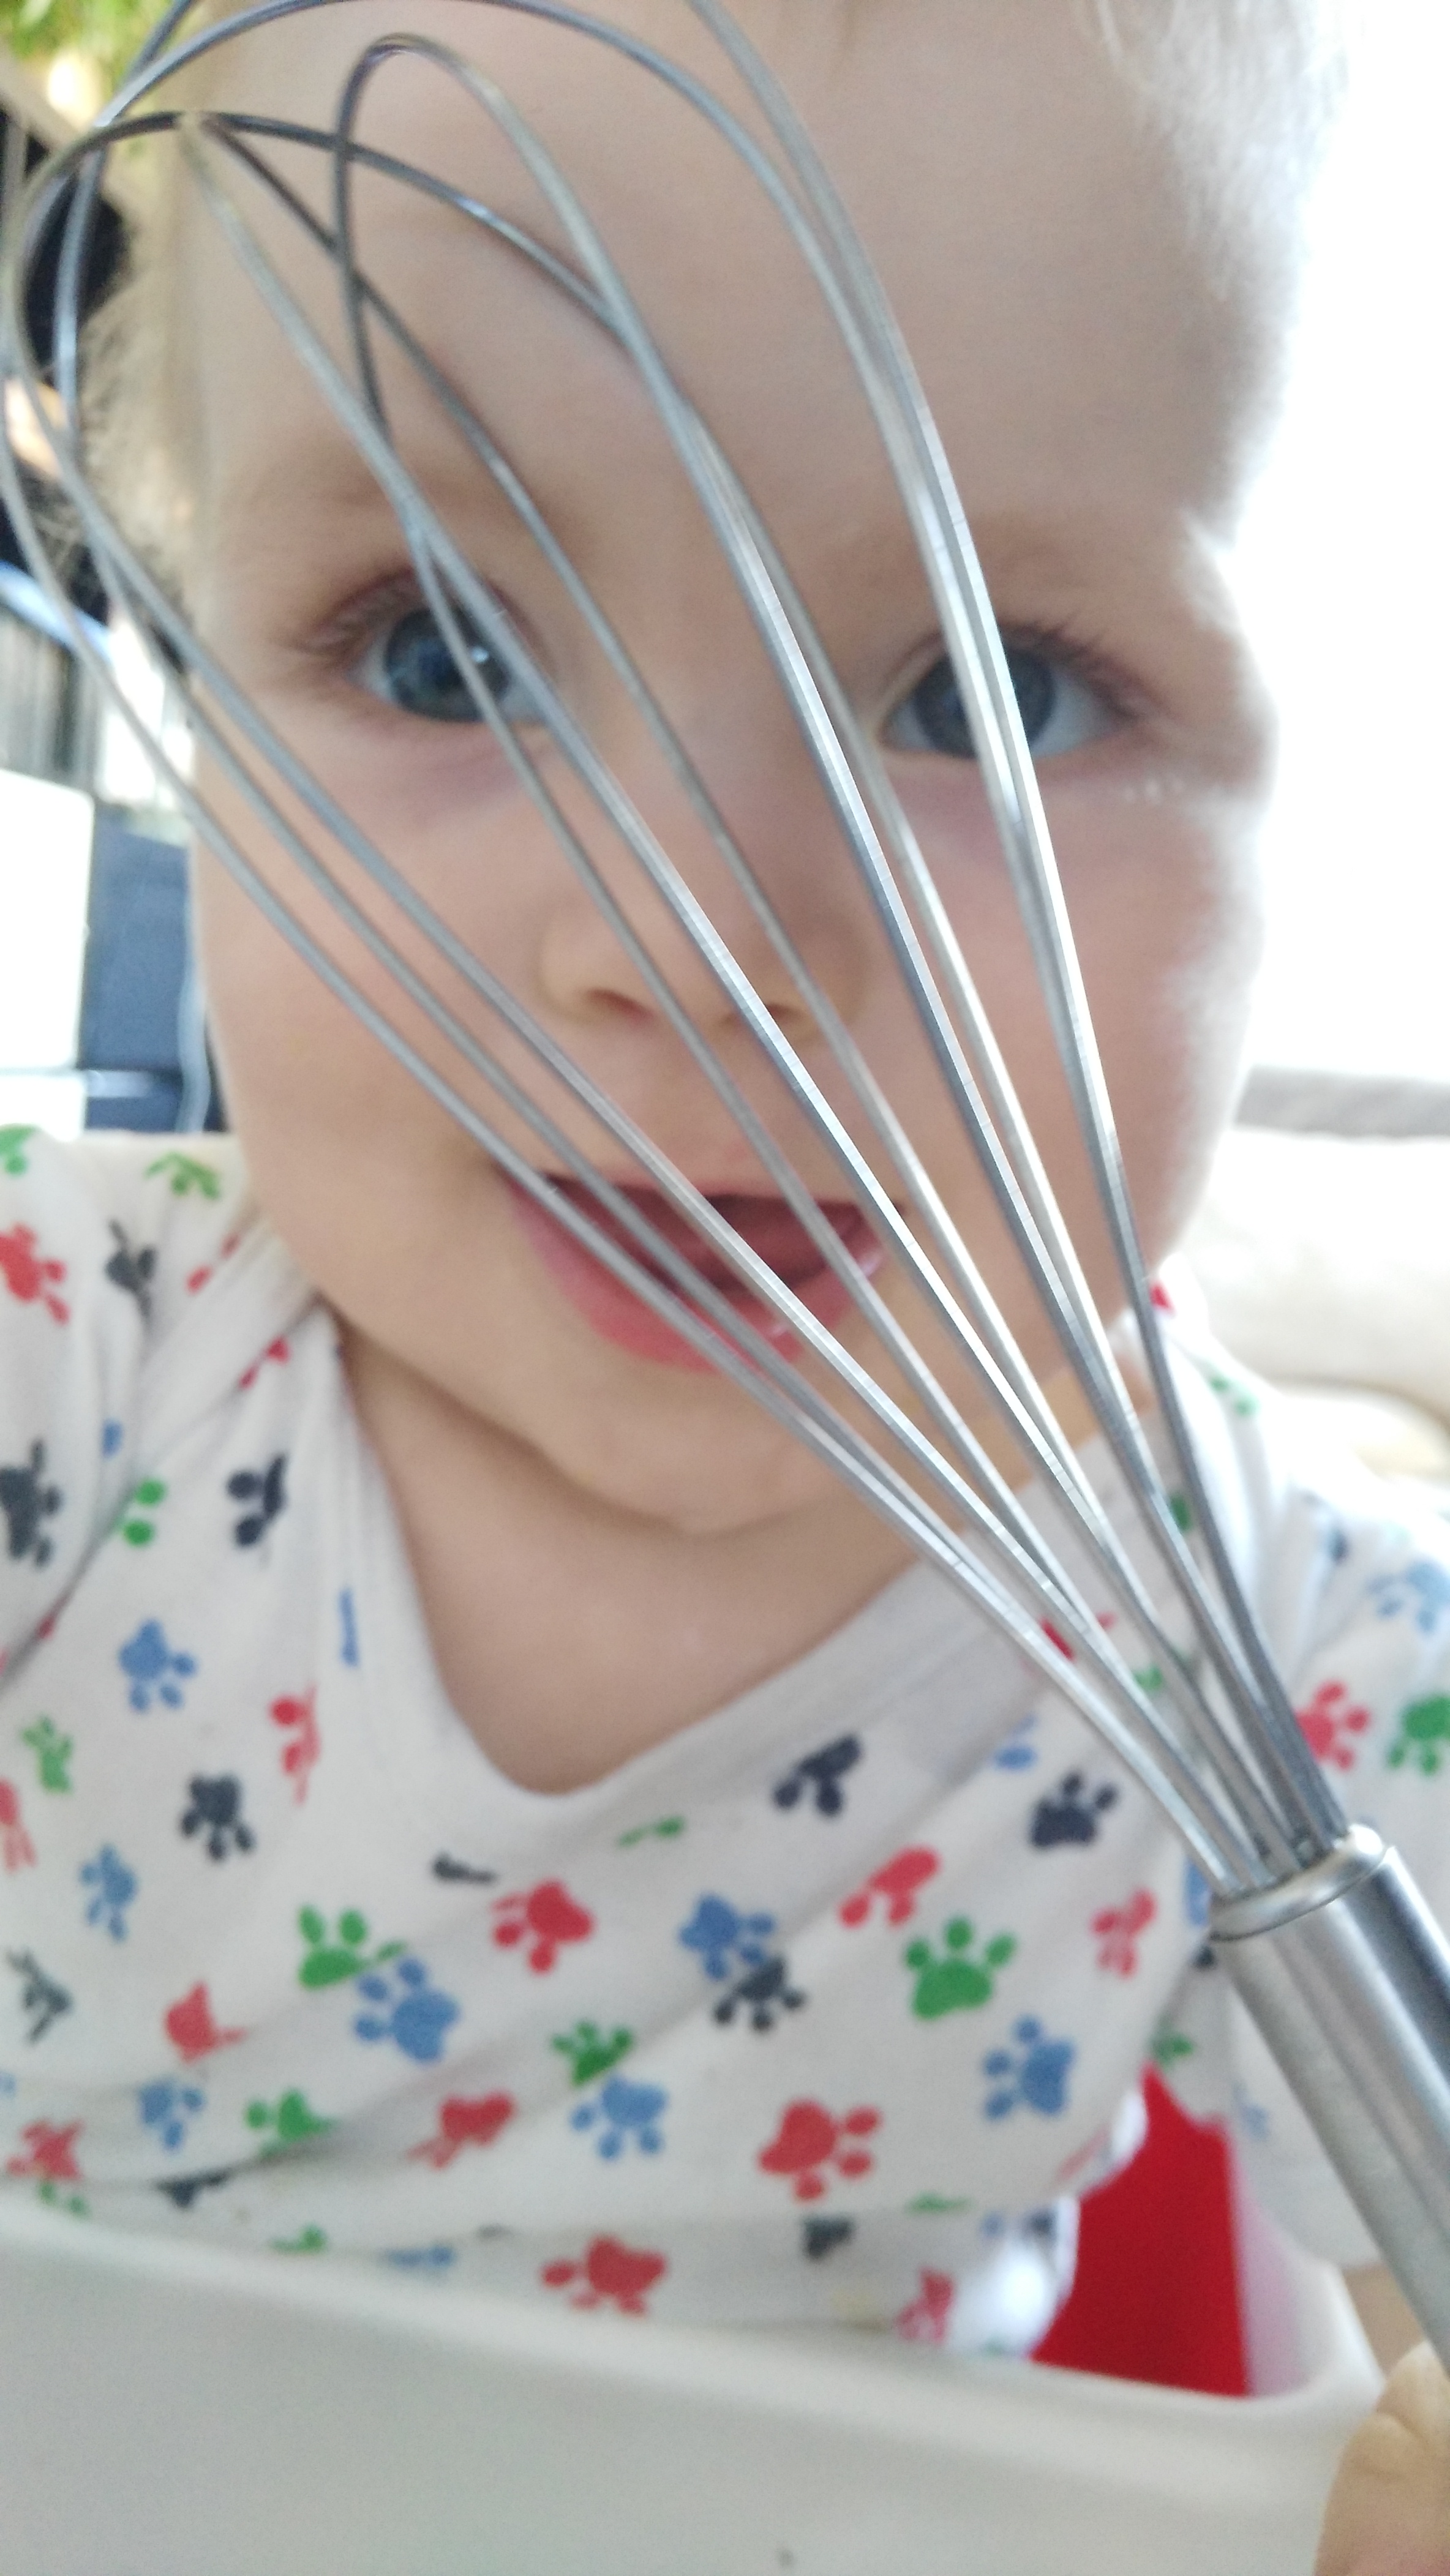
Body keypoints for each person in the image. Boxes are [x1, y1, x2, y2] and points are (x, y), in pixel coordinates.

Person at [2, 0, 1448, 2563]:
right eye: (445, 650)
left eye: (990, 694)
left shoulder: (1307, 1662)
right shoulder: (55, 1366)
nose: (693, 945)